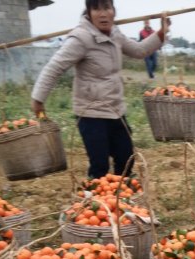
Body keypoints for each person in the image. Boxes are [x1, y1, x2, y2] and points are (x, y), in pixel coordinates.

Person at [31, 1, 168, 179]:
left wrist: (162, 32)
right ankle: (97, 201)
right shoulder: (80, 38)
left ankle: (124, 200)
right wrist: (38, 100)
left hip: (116, 111)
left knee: (126, 159)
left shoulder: (115, 34)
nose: (103, 14)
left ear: (114, 11)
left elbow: (139, 50)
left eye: (106, 8)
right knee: (100, 166)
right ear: (89, 12)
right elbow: (54, 68)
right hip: (91, 114)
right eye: (96, 9)